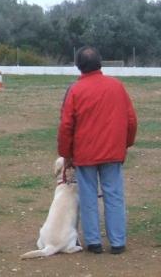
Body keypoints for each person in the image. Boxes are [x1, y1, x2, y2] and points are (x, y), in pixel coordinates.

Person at [58, 46, 138, 255]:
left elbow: (66, 125)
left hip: (85, 154)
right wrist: (125, 144)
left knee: (88, 196)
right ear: (100, 63)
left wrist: (66, 154)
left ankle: (93, 241)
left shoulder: (75, 90)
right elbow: (131, 120)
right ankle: (117, 241)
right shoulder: (117, 86)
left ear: (78, 67)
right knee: (114, 195)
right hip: (112, 151)